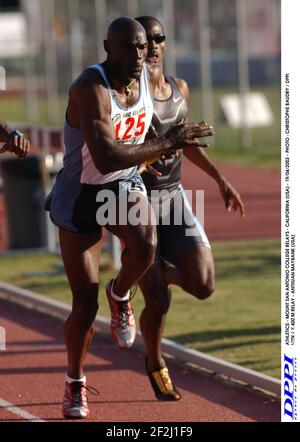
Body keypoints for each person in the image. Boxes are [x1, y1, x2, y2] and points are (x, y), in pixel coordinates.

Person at [45, 16, 213, 419]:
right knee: (83, 306)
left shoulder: (146, 86)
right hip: (82, 194)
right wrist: (161, 144)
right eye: (127, 48)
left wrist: (159, 151)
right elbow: (103, 158)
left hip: (123, 186)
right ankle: (75, 383)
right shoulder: (91, 87)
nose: (138, 55)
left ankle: (120, 294)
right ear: (107, 47)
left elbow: (151, 140)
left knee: (146, 243)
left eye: (142, 47)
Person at [135, 16, 245, 401]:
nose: (151, 46)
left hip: (174, 196)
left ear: (165, 44)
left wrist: (219, 179)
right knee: (158, 301)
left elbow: (185, 142)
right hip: (136, 202)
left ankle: (157, 271)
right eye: (143, 39)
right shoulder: (127, 95)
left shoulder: (179, 88)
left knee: (203, 283)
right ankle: (154, 360)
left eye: (157, 38)